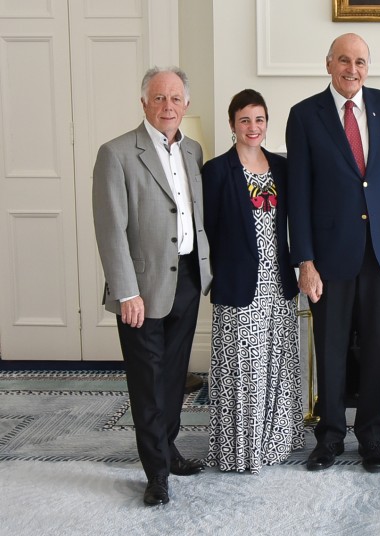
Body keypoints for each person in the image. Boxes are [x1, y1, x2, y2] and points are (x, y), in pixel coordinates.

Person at [286, 33, 380, 473]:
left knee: (379, 348)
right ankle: (330, 436)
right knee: (331, 347)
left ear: (368, 66)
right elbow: (298, 194)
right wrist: (305, 259)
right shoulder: (304, 116)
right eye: (344, 60)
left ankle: (371, 437)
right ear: (328, 64)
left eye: (360, 61)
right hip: (330, 256)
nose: (352, 69)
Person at [92, 66, 212, 505]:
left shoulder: (194, 151)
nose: (168, 106)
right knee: (147, 380)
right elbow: (110, 228)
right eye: (159, 98)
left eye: (176, 98)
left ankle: (169, 448)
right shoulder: (117, 153)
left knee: (175, 377)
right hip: (140, 289)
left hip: (187, 278)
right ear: (144, 103)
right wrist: (126, 291)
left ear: (186, 105)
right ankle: (156, 473)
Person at [202, 89, 305, 474]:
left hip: (277, 284)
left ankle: (276, 442)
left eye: (259, 119)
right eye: (245, 120)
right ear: (232, 124)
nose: (253, 127)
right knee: (243, 369)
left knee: (276, 363)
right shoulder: (216, 171)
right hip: (238, 285)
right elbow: (206, 231)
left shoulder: (280, 167)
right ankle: (241, 451)